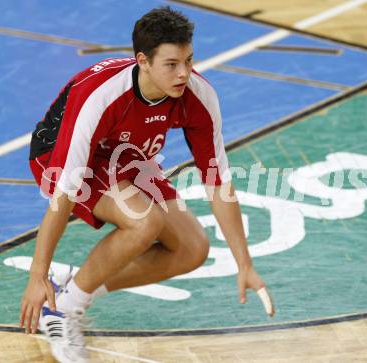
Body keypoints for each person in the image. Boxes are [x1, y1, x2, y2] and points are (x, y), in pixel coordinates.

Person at [20, 6, 275, 363]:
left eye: (188, 60)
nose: (184, 73)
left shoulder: (198, 96)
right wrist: (37, 275)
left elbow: (218, 181)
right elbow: (63, 194)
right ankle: (61, 311)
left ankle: (73, 290)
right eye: (171, 64)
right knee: (145, 221)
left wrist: (244, 263)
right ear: (143, 61)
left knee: (192, 248)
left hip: (124, 154)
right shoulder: (101, 96)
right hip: (59, 154)